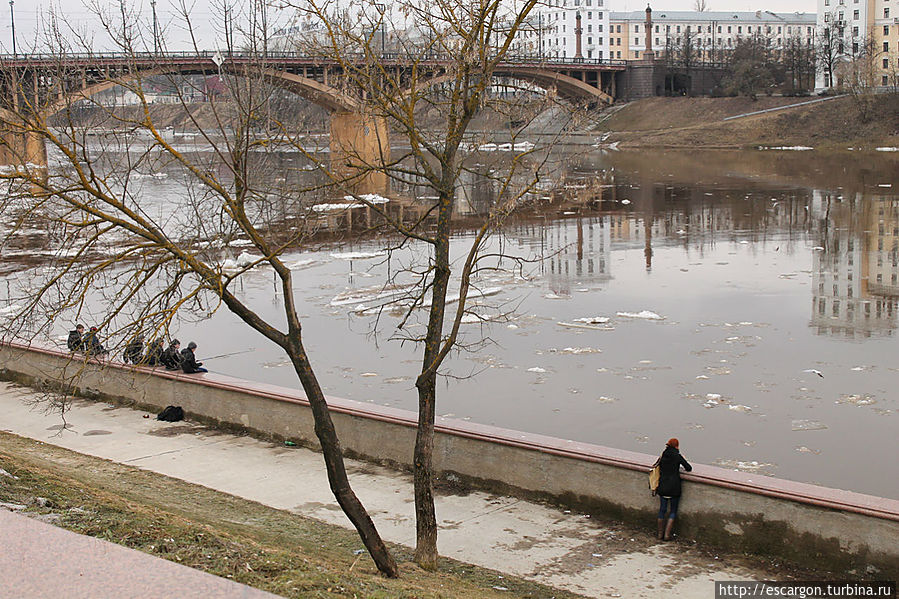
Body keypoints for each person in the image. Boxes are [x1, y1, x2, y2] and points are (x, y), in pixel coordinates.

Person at [656, 438, 692, 541]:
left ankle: (659, 534)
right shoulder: (677, 456)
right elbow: (688, 468)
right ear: (676, 446)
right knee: (673, 511)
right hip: (674, 488)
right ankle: (667, 535)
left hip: (662, 487)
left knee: (662, 510)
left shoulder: (663, 455)